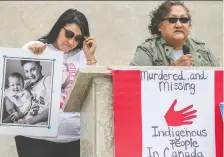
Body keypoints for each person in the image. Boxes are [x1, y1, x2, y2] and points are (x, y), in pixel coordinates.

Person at [14, 8, 97, 157]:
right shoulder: (36, 48)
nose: (72, 42)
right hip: (34, 138)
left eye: (78, 38)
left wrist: (90, 58)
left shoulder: (83, 56)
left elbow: (94, 90)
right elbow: (18, 82)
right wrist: (31, 53)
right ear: (59, 27)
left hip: (74, 138)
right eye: (69, 34)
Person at [130, 0, 220, 67]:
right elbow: (133, 85)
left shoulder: (202, 50)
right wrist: (174, 70)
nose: (178, 25)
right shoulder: (147, 51)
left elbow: (220, 83)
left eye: (184, 20)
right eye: (172, 20)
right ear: (159, 26)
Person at [17, 60, 51, 125]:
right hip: (24, 120)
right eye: (26, 71)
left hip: (38, 123)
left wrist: (30, 121)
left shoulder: (47, 80)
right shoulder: (26, 83)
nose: (30, 75)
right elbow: (8, 91)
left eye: (33, 69)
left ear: (40, 68)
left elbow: (53, 108)